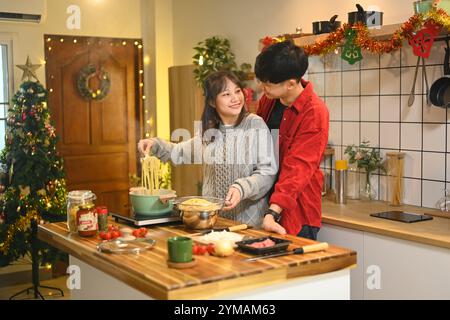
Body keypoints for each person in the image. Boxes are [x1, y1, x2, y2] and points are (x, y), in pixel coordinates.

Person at [138, 71, 277, 226]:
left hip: (248, 225)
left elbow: (267, 172)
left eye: (237, 91)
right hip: (213, 223)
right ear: (212, 102)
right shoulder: (209, 131)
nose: (235, 98)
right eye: (226, 94)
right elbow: (180, 152)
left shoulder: (254, 124)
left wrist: (241, 188)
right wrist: (155, 144)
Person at [255, 40, 329, 240]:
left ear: (291, 83)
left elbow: (298, 167)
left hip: (295, 212)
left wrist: (273, 212)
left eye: (268, 84)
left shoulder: (314, 112)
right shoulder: (268, 101)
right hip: (267, 205)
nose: (263, 88)